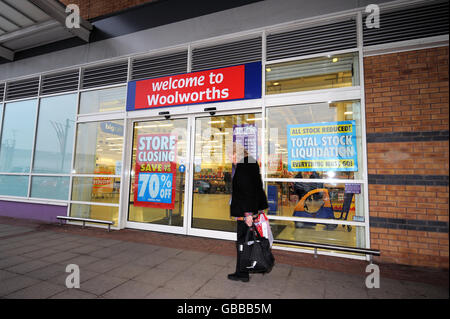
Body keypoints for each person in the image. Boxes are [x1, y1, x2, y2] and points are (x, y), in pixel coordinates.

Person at [228, 149, 268, 283]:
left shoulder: (243, 167)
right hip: (251, 210)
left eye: (231, 155)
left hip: (245, 213)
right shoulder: (251, 164)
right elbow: (258, 187)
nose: (229, 158)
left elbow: (246, 191)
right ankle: (244, 270)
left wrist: (248, 214)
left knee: (242, 242)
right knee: (247, 241)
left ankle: (242, 273)